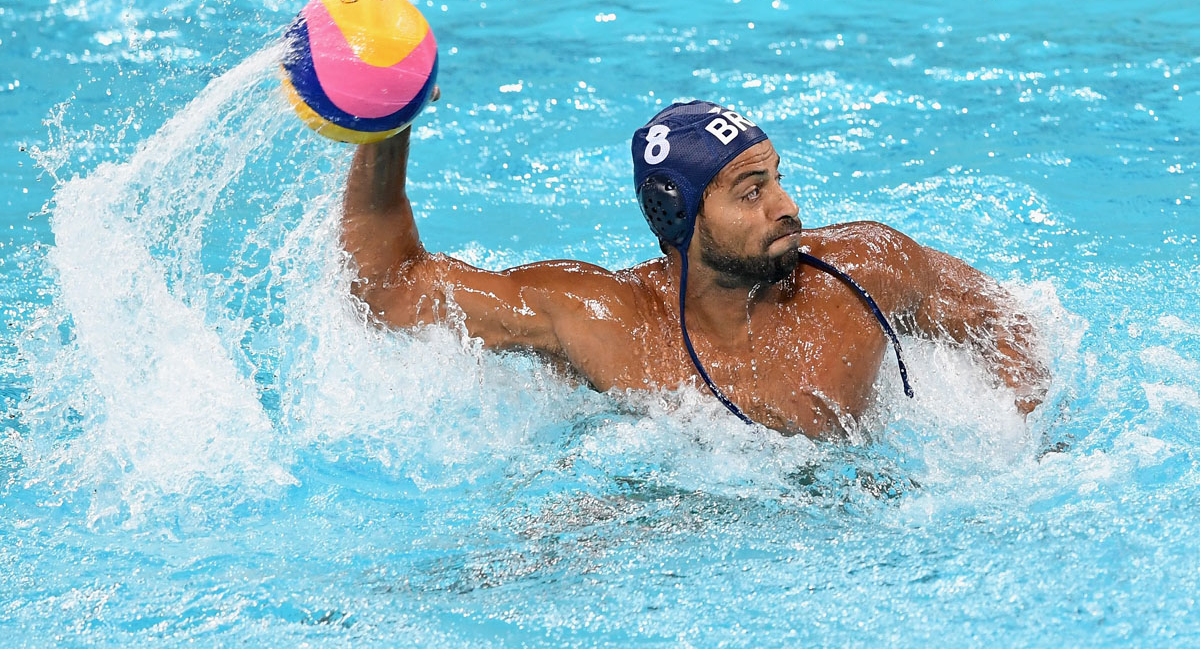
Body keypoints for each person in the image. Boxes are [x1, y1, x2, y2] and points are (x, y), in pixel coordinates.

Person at [341, 97, 1048, 437]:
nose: (787, 207)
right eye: (751, 191)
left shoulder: (866, 270)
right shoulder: (604, 321)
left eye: (777, 177)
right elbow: (391, 291)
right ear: (678, 215)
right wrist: (385, 128)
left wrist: (1029, 443)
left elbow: (1000, 319)